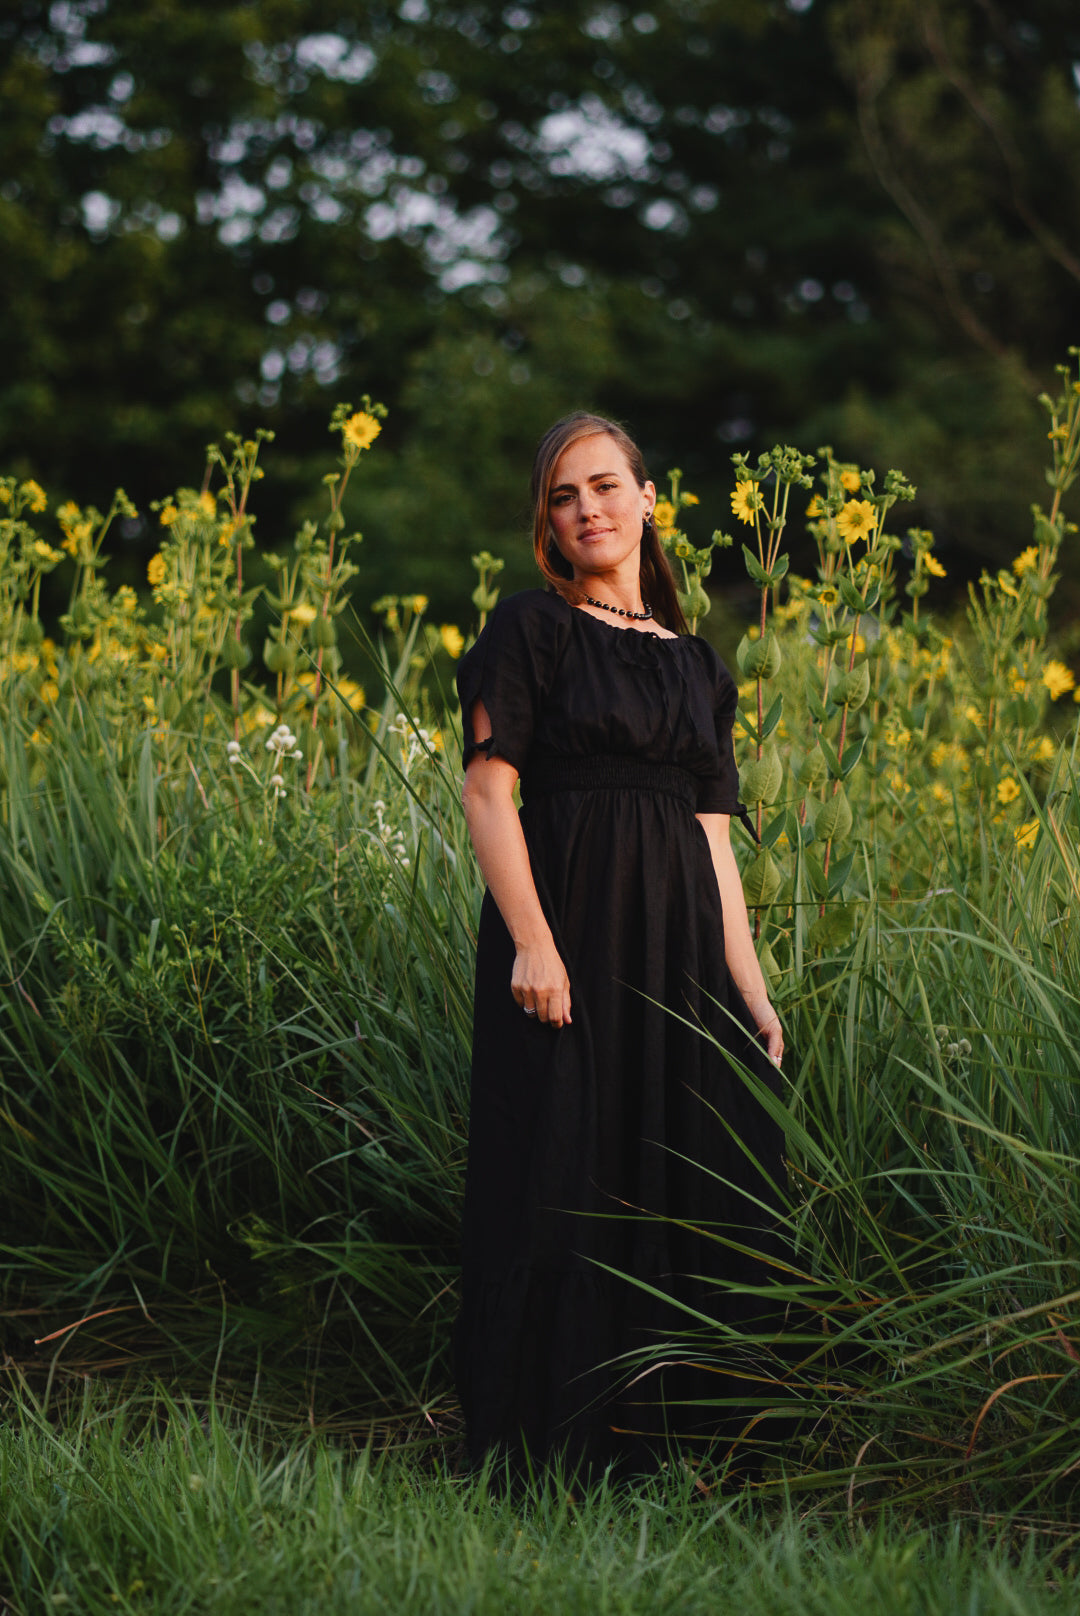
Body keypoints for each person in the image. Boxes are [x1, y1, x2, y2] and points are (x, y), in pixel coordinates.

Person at [452, 412, 789, 1484]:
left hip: (680, 947)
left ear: (650, 500)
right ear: (547, 522)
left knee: (686, 1157)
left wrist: (750, 982)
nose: (587, 506)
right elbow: (487, 790)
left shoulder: (699, 664)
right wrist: (532, 944)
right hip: (568, 937)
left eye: (604, 485)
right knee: (559, 1163)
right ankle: (545, 1448)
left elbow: (714, 843)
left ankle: (682, 1444)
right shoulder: (529, 630)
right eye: (563, 494)